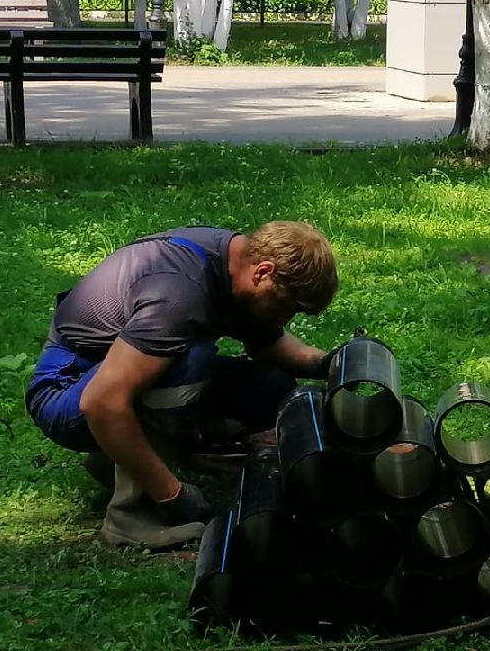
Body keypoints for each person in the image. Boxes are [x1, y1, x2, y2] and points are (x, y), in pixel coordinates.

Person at [26, 222, 338, 549]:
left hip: (113, 372)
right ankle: (131, 516)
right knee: (191, 360)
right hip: (67, 390)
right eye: (289, 307)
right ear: (263, 273)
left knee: (270, 388)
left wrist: (329, 363)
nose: (287, 319)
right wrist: (172, 494)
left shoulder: (234, 262)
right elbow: (102, 402)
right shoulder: (178, 296)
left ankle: (124, 459)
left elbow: (267, 343)